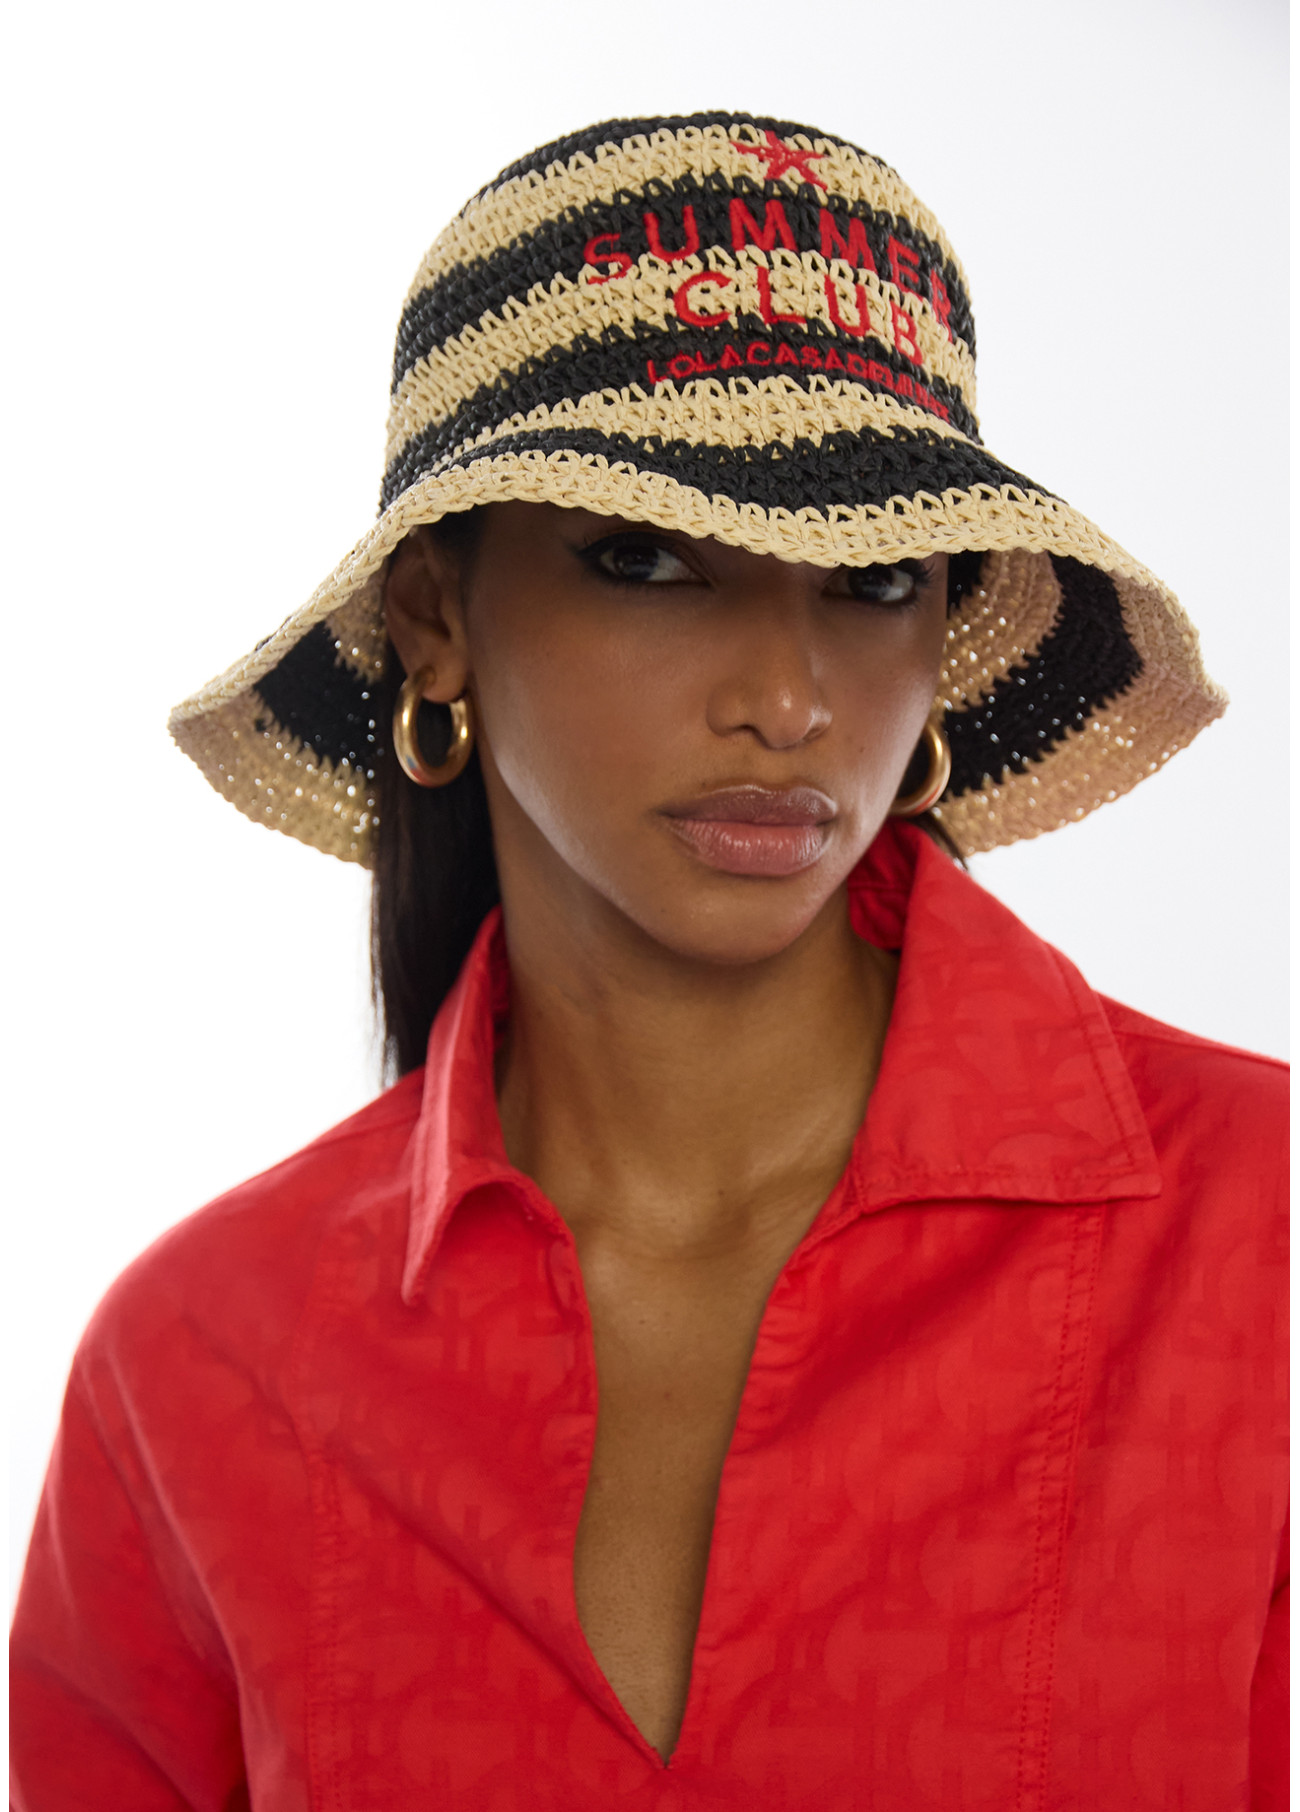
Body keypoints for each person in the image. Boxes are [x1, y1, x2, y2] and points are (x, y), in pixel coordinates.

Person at [10, 113, 1287, 1809]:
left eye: (873, 578)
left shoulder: (1256, 1246)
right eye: (648, 558)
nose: (788, 698)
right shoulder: (200, 1366)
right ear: (435, 618)